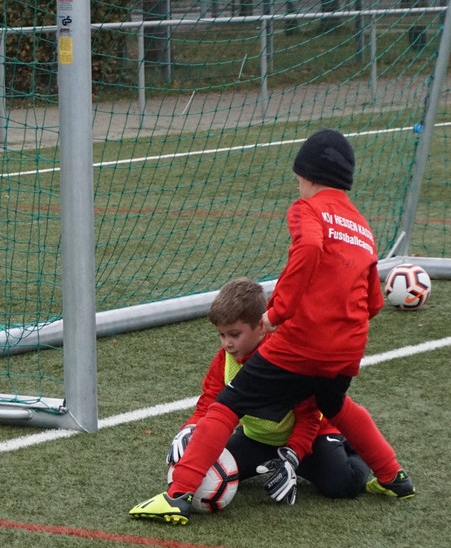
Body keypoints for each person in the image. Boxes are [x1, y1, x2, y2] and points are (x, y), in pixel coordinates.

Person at [130, 128, 415, 526]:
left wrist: (277, 313)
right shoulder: (362, 227)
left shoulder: (307, 210)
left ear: (308, 176)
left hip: (304, 342)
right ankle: (393, 476)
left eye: (298, 179)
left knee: (228, 404)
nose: (298, 186)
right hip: (349, 346)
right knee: (336, 405)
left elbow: (310, 248)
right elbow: (374, 302)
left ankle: (177, 495)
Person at [160, 277, 371, 506]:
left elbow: (310, 418)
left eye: (234, 334)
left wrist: (292, 456)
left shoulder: (287, 359)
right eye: (222, 335)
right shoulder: (224, 361)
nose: (227, 344)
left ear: (261, 326)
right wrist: (190, 429)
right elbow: (209, 403)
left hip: (311, 438)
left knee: (342, 484)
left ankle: (352, 446)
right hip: (257, 439)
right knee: (205, 463)